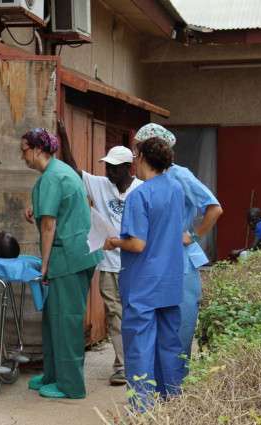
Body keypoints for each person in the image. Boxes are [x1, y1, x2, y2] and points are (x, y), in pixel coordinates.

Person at [56, 119, 142, 386]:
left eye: (114, 169)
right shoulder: (101, 184)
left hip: (135, 265)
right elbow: (73, 169)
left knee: (136, 315)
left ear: (128, 168)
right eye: (107, 167)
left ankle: (140, 363)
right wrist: (64, 137)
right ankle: (122, 366)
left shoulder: (142, 189)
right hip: (108, 266)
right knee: (115, 316)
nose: (109, 173)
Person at [20, 127, 102, 399]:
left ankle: (71, 386)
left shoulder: (52, 178)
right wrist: (38, 206)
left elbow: (48, 226)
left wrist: (43, 266)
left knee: (65, 321)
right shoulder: (60, 171)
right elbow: (60, 209)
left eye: (24, 150)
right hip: (76, 254)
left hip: (68, 258)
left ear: (38, 150)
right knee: (53, 320)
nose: (22, 156)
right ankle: (54, 374)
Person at [105, 137, 186, 409]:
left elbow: (137, 244)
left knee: (139, 350)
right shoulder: (176, 189)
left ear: (141, 158)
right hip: (170, 282)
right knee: (170, 348)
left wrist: (114, 241)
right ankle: (173, 405)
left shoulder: (139, 194)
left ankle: (142, 411)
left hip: (143, 286)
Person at [133, 124, 223, 365]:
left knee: (178, 334)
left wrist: (193, 235)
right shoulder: (151, 179)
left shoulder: (179, 175)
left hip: (181, 264)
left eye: (137, 150)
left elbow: (214, 208)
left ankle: (176, 391)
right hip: (161, 263)